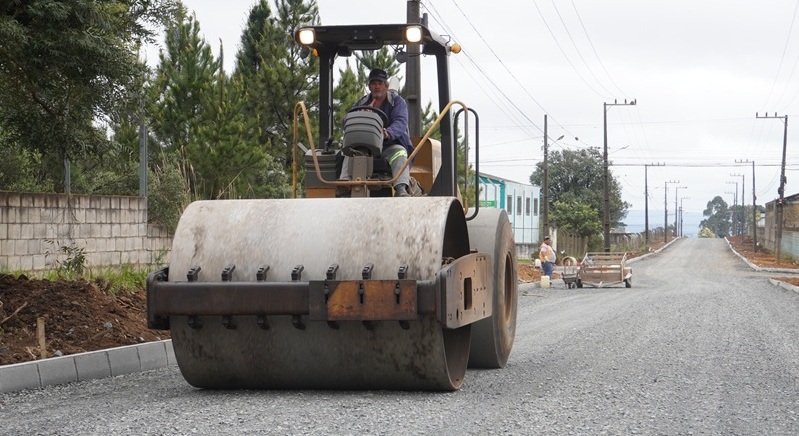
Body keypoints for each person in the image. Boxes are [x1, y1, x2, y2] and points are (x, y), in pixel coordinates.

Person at [339, 68, 413, 197]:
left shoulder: (397, 102)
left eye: (380, 83)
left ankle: (401, 188)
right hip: (366, 148)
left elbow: (401, 122)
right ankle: (344, 184)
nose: (377, 86)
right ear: (369, 86)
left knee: (400, 152)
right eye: (373, 83)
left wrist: (387, 133)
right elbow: (347, 121)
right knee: (349, 152)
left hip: (389, 145)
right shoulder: (361, 103)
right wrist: (361, 115)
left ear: (386, 85)